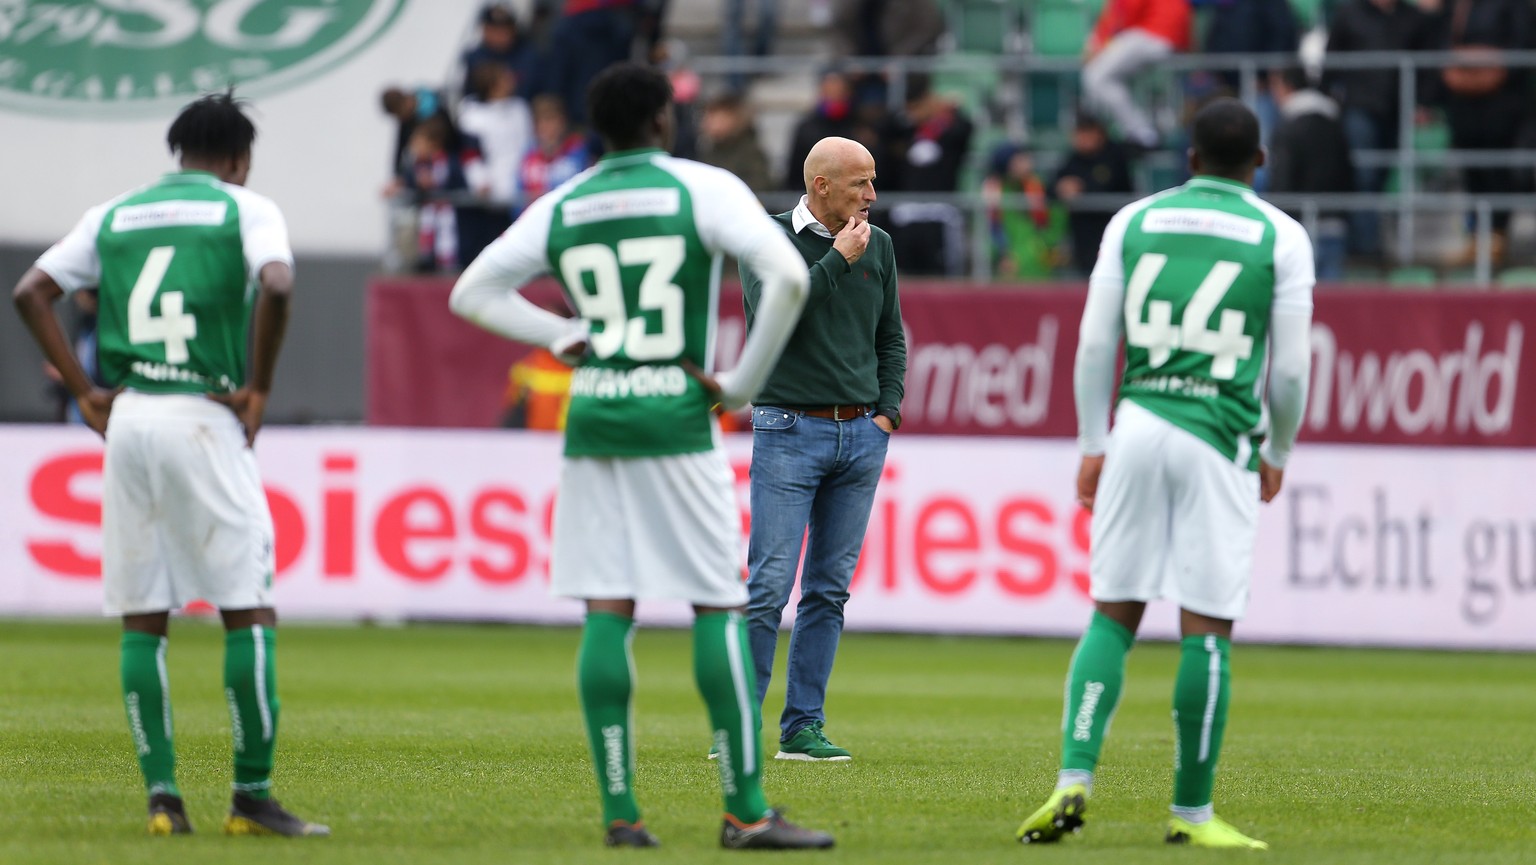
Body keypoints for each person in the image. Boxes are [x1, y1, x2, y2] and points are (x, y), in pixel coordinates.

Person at [448, 62, 833, 851]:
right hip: (675, 417)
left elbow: (472, 292)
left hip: (596, 417)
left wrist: (560, 337)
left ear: (599, 131)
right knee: (716, 607)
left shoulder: (566, 202)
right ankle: (745, 807)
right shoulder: (701, 188)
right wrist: (737, 386)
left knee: (606, 606)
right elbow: (787, 274)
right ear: (664, 122)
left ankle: (622, 813)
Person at [11, 93, 327, 838]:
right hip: (201, 417)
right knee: (246, 607)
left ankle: (163, 800)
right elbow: (278, 285)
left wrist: (85, 391)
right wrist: (262, 385)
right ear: (239, 161)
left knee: (142, 616)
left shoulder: (114, 213)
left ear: (176, 151)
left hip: (128, 420)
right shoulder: (245, 209)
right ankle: (251, 798)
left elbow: (31, 291)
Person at [1014, 98, 1313, 850]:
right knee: (1206, 625)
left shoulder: (1134, 221)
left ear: (1188, 158)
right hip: (1217, 434)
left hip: (1139, 424)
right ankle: (1192, 813)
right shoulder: (1282, 235)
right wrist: (1277, 450)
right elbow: (1290, 372)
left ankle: (1073, 777)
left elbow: (1092, 344)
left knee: (1112, 611)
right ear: (1261, 160)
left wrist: (1092, 441)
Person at [740, 136, 905, 763]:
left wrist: (888, 410)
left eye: (872, 180)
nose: (871, 194)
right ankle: (736, 726)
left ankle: (802, 729)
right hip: (787, 427)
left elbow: (891, 335)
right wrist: (836, 259)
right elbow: (775, 317)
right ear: (820, 186)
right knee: (767, 587)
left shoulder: (879, 245)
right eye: (860, 183)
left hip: (861, 433)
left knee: (828, 592)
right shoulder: (766, 240)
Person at [1268, 66, 1354, 280]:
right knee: (1332, 307)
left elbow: (1282, 180)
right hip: (1335, 222)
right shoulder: (1335, 122)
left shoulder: (1288, 127)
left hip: (1297, 229)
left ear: (1287, 86)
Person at [1081, 0, 1192, 151]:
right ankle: (1138, 132)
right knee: (1100, 78)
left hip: (1154, 34)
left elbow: (1125, 16)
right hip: (1164, 36)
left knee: (1095, 77)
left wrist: (1097, 46)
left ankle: (1142, 134)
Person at [1053, 114, 1135, 276]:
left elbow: (1111, 184)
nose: (1082, 139)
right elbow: (1054, 184)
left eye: (1087, 133)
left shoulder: (1115, 155)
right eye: (1079, 133)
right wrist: (1061, 187)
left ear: (1099, 133)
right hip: (1082, 232)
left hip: (1109, 228)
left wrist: (1080, 187)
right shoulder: (1074, 158)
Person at [698, 91, 772, 194]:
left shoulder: (750, 153)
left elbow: (760, 186)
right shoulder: (708, 150)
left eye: (715, 116)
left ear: (734, 118)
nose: (707, 122)